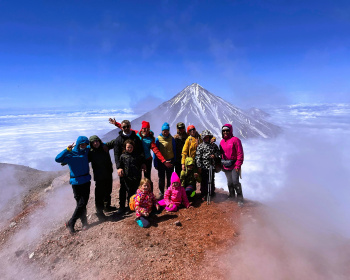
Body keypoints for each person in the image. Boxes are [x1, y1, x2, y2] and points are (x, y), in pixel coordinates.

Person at [55, 136, 91, 234]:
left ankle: (76, 222)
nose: (84, 146)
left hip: (86, 181)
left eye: (86, 144)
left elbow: (95, 144)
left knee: (82, 204)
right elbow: (57, 159)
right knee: (80, 204)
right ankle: (77, 222)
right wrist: (67, 149)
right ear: (79, 144)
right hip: (76, 183)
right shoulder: (70, 154)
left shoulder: (86, 151)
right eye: (82, 144)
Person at [113, 120, 146, 214]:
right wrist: (119, 167)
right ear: (122, 128)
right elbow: (116, 154)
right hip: (124, 169)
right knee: (123, 187)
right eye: (124, 127)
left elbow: (141, 151)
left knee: (136, 186)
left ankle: (134, 205)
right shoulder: (118, 140)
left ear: (130, 126)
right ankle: (122, 206)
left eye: (127, 126)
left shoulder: (135, 138)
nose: (126, 128)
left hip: (135, 167)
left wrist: (143, 162)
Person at [88, 135, 115, 221]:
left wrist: (103, 144)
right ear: (91, 144)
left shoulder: (105, 146)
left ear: (99, 141)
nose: (95, 143)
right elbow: (80, 156)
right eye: (93, 142)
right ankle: (99, 212)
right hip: (99, 176)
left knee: (108, 190)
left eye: (97, 141)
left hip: (108, 173)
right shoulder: (90, 152)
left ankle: (107, 206)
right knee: (99, 194)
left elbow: (115, 141)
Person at [219, 124, 244, 206]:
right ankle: (232, 195)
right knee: (229, 182)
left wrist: (238, 165)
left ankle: (240, 199)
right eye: (224, 131)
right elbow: (221, 153)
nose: (225, 132)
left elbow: (240, 153)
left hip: (234, 165)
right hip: (226, 165)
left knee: (235, 181)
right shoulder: (222, 141)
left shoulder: (235, 140)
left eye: (227, 130)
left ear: (230, 131)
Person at [119, 139, 144, 214]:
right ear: (125, 147)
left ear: (133, 147)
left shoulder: (137, 156)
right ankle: (130, 206)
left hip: (136, 177)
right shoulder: (123, 156)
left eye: (131, 147)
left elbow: (140, 164)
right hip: (127, 178)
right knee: (129, 192)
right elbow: (121, 165)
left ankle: (137, 205)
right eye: (128, 147)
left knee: (137, 191)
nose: (129, 149)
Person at [196, 130, 221, 199]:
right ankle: (203, 193)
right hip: (203, 166)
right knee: (204, 180)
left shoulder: (214, 145)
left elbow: (219, 153)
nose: (206, 138)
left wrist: (214, 155)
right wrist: (199, 166)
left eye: (208, 137)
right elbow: (198, 157)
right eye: (205, 137)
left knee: (211, 179)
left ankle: (211, 192)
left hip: (211, 165)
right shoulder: (200, 146)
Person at [154, 122, 176, 198]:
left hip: (170, 161)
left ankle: (169, 192)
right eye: (164, 131)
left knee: (170, 177)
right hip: (161, 162)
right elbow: (155, 152)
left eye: (167, 130)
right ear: (162, 131)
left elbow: (174, 150)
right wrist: (155, 163)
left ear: (169, 131)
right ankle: (161, 192)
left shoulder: (171, 139)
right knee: (162, 178)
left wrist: (174, 160)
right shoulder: (158, 139)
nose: (165, 132)